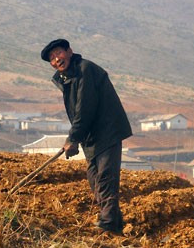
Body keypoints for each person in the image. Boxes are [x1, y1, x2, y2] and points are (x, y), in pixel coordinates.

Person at [41, 38, 133, 235]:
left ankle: (107, 224)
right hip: (91, 135)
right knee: (94, 179)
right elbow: (78, 111)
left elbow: (85, 107)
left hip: (107, 129)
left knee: (105, 177)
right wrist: (76, 138)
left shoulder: (85, 70)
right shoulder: (67, 77)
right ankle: (115, 223)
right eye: (52, 58)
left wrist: (73, 138)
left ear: (69, 51)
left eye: (58, 53)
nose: (56, 60)